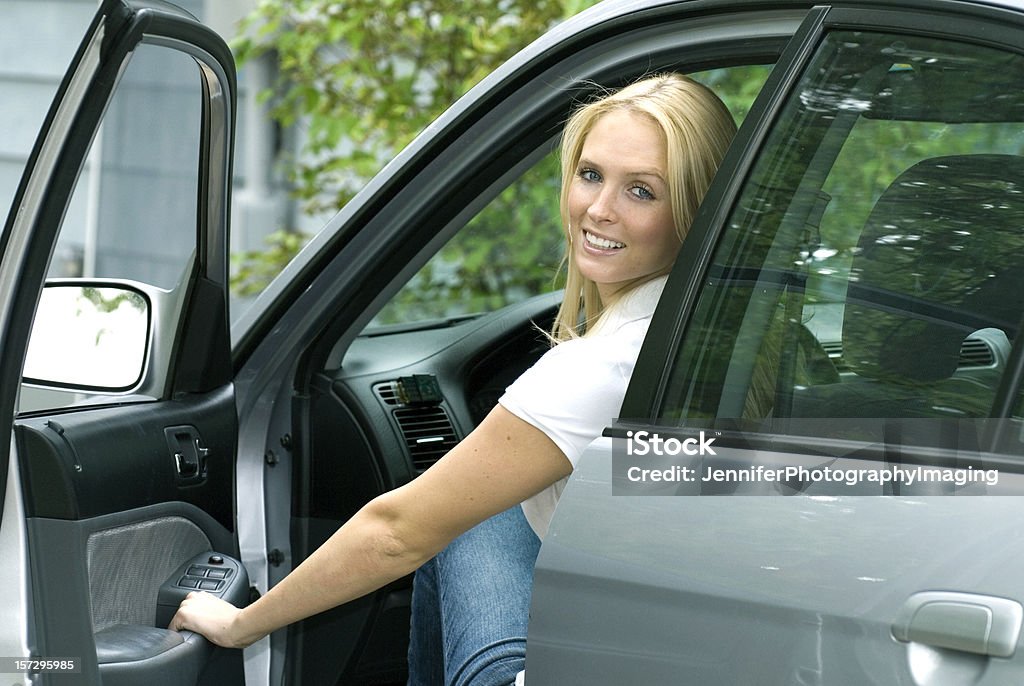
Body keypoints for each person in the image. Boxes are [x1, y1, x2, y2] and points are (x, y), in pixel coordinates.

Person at [171, 72, 737, 684]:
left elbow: (395, 532)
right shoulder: (714, 330)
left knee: (458, 517)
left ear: (695, 210)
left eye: (642, 192)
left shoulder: (602, 366)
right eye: (591, 174)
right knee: (485, 509)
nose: (599, 210)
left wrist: (240, 624)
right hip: (664, 649)